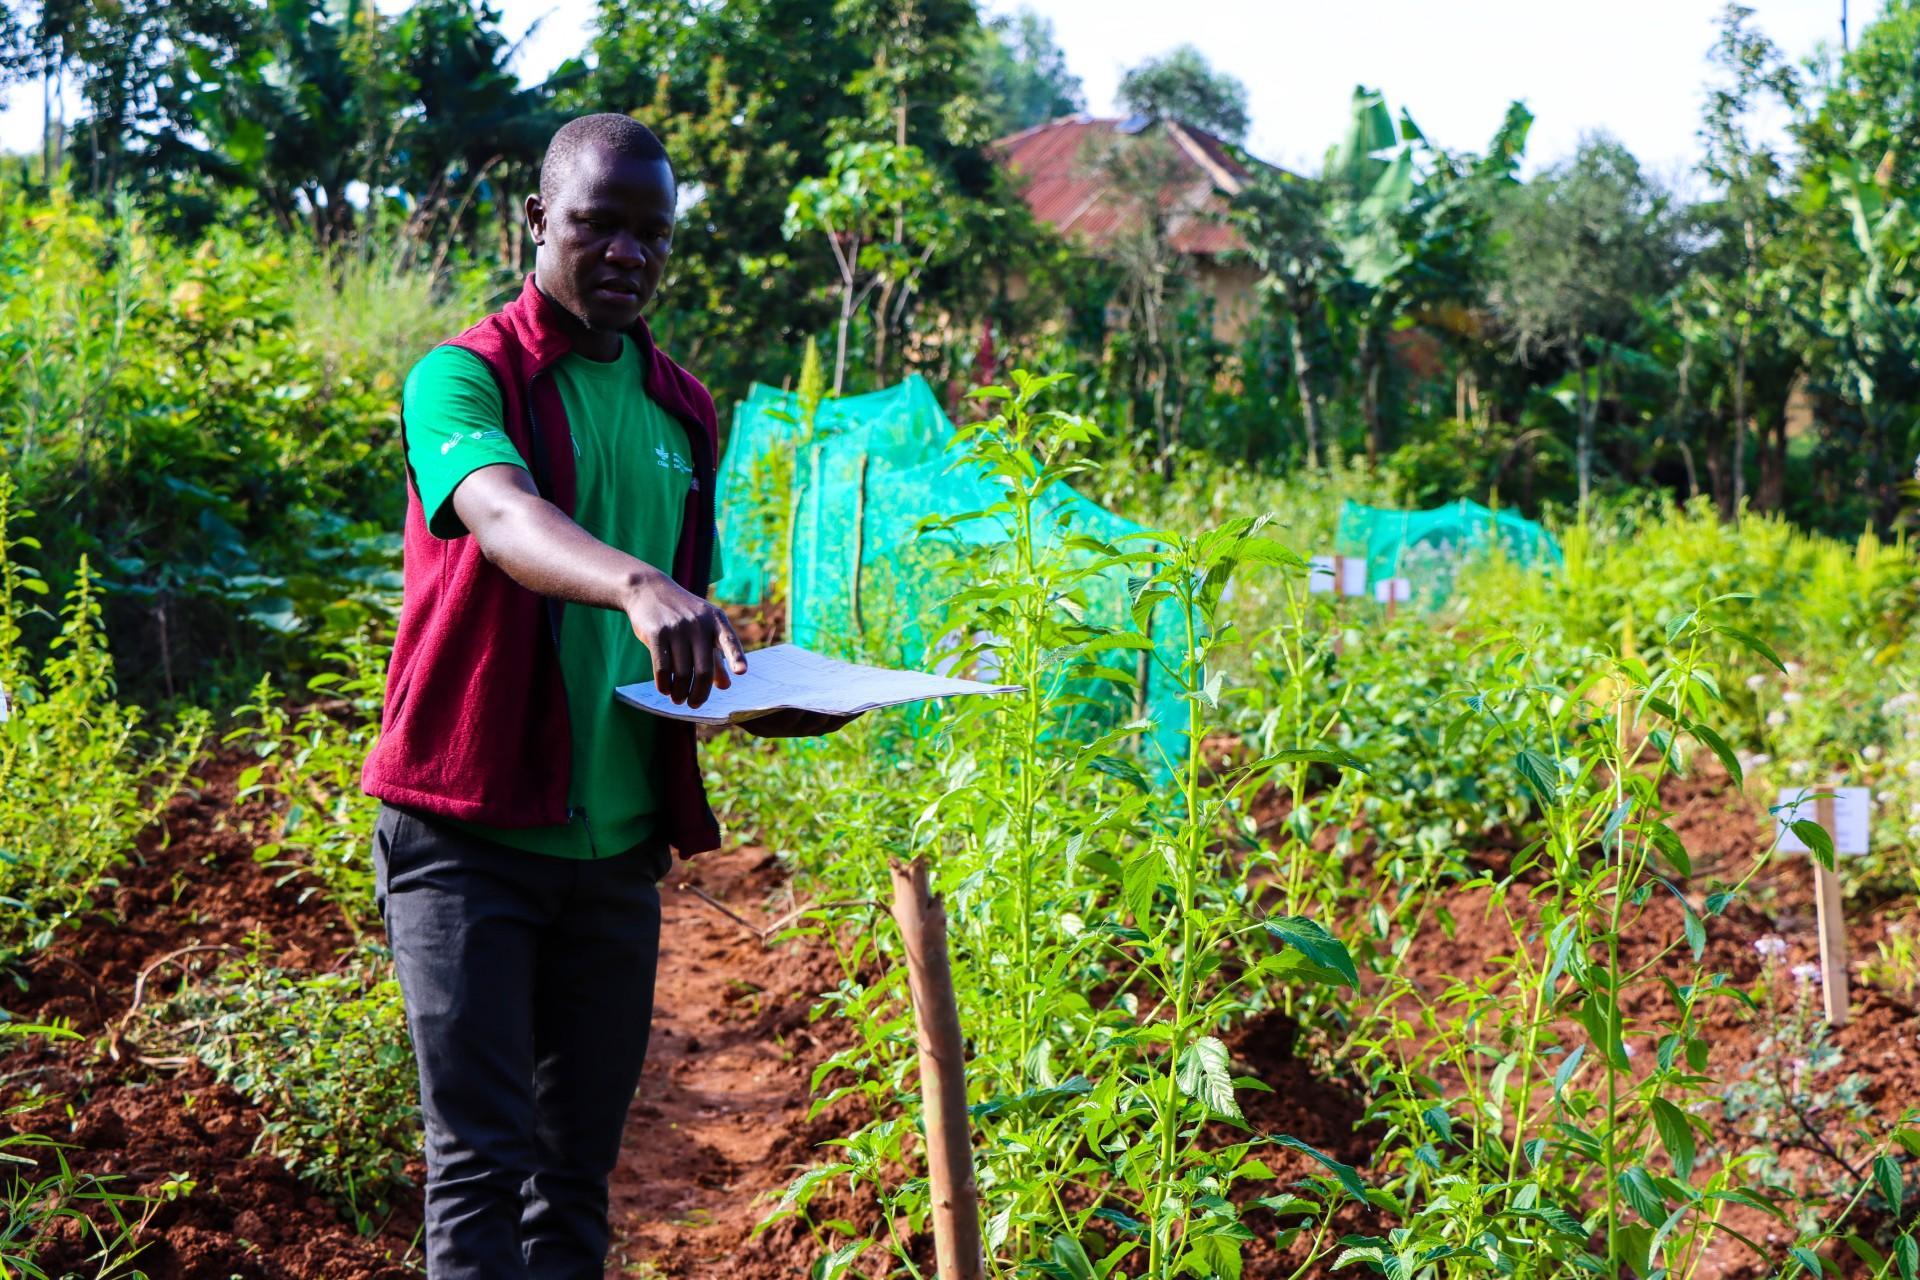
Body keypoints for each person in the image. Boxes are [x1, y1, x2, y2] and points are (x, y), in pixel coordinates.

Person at [360, 113, 851, 1280]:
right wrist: (639, 585)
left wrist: (746, 695)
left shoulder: (686, 407)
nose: (627, 253)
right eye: (597, 223)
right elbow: (501, 516)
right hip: (467, 826)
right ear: (538, 220)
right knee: (480, 1161)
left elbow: (673, 632)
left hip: (617, 847)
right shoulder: (465, 376)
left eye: (652, 233)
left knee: (576, 1175)